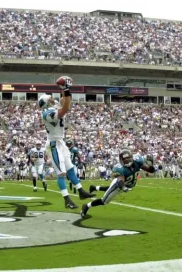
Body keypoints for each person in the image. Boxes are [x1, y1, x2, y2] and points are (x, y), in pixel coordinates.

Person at [38, 76, 95, 209]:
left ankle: (81, 191)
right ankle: (67, 199)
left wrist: (66, 89)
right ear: (46, 103)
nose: (53, 99)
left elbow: (66, 101)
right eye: (50, 99)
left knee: (70, 170)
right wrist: (65, 88)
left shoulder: (53, 107)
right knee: (61, 173)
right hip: (53, 145)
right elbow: (64, 109)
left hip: (61, 143)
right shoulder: (46, 113)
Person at [81, 150, 156, 218]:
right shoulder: (120, 168)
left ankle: (94, 188)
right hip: (118, 186)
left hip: (127, 185)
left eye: (128, 159)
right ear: (121, 160)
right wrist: (123, 187)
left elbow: (149, 170)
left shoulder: (137, 161)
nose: (126, 161)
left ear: (132, 158)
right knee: (104, 201)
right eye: (124, 160)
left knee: (108, 190)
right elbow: (120, 180)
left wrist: (152, 167)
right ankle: (86, 206)